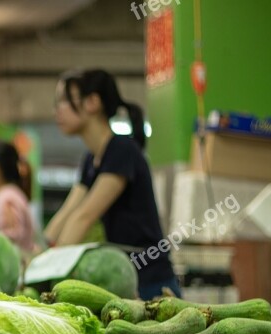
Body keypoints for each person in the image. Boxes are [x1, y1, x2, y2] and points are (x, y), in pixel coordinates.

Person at [44, 69, 179, 300]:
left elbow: (84, 216)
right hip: (124, 276)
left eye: (65, 100)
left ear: (93, 102)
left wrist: (49, 267)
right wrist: (43, 247)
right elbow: (69, 211)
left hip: (151, 281)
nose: (58, 110)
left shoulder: (121, 150)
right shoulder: (91, 159)